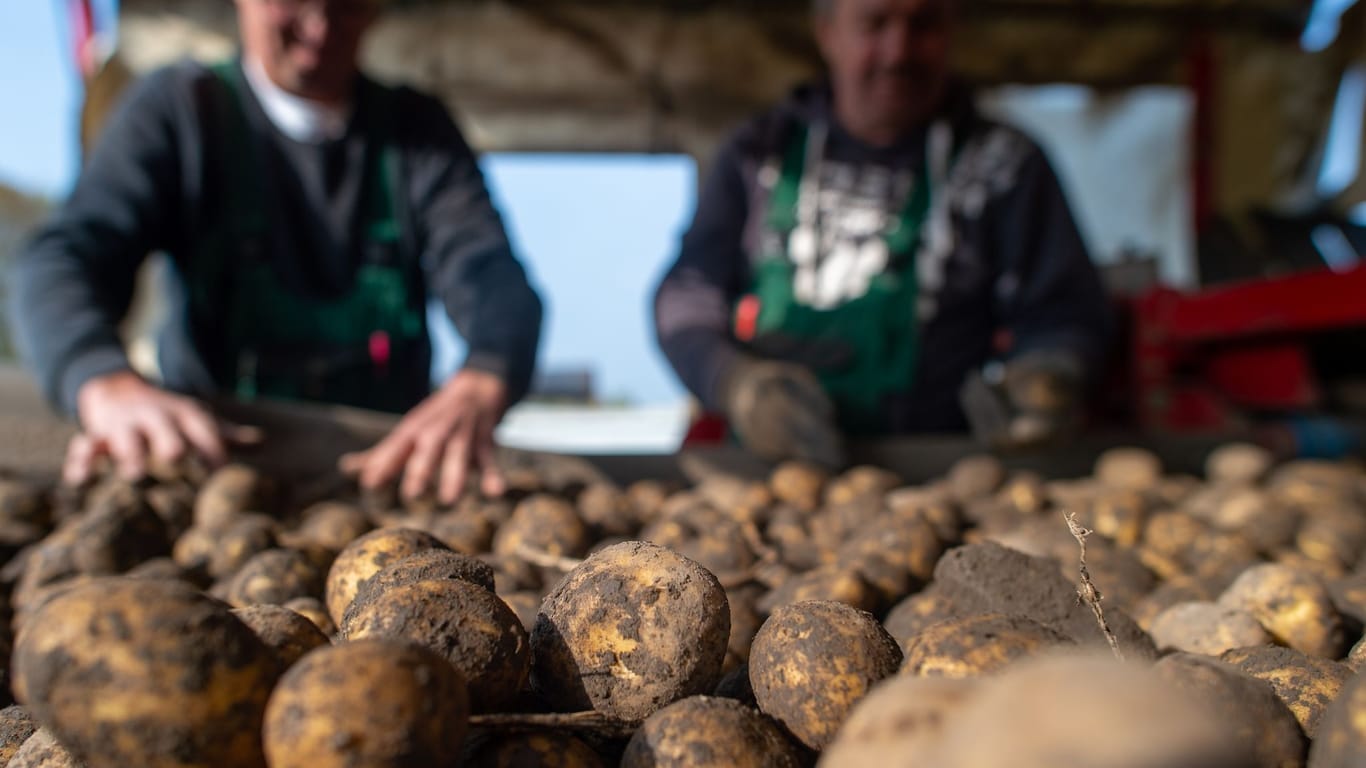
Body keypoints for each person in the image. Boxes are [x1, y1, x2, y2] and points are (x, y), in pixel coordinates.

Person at [10, 0, 543, 504]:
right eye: (296, 2)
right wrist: (102, 379)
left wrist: (486, 372)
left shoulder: (417, 133)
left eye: (345, 5)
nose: (319, 27)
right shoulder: (181, 111)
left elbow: (488, 270)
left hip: (391, 477)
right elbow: (64, 258)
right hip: (214, 472)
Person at [654, 0, 1110, 467]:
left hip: (946, 470)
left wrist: (1048, 373)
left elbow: (1064, 312)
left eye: (923, 25)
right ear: (828, 33)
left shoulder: (1005, 164)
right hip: (776, 471)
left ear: (952, 29)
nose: (898, 52)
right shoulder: (758, 156)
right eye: (875, 24)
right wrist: (734, 382)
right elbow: (686, 299)